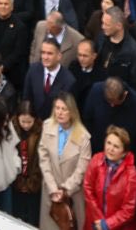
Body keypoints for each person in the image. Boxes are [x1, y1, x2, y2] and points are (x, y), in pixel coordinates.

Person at [42, 94, 92, 230]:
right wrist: (53, 189)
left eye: (64, 109)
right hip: (50, 192)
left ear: (72, 111)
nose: (60, 112)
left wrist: (64, 191)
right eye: (57, 108)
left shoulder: (83, 136)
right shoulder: (47, 126)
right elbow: (44, 159)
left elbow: (82, 170)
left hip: (71, 196)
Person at [84, 124, 136, 230]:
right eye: (108, 143)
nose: (110, 149)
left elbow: (129, 209)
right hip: (95, 222)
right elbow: (88, 188)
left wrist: (107, 224)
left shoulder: (132, 175)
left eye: (116, 146)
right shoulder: (96, 159)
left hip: (118, 226)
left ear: (124, 152)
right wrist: (99, 220)